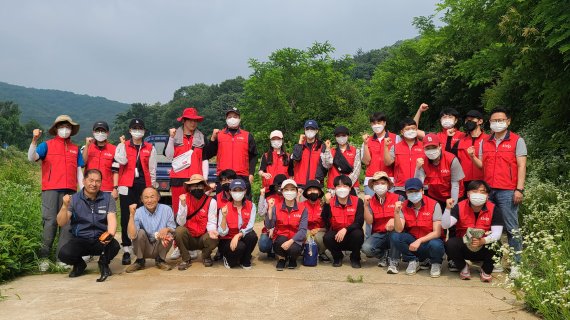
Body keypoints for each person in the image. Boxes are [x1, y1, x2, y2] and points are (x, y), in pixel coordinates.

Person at [472, 107, 527, 279]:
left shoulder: (517, 141)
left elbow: (521, 166)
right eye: (494, 120)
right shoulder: (484, 142)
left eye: (500, 120)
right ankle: (495, 261)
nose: (497, 123)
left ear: (508, 121)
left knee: (511, 228)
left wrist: (519, 189)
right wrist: (472, 157)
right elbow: (482, 166)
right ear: (489, 123)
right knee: (490, 227)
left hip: (508, 190)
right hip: (489, 191)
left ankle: (517, 265)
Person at [28, 115, 84, 271]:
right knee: (50, 222)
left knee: (66, 224)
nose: (65, 129)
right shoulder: (46, 145)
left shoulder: (75, 148)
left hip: (70, 190)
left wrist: (82, 191)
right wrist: (34, 140)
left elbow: (79, 171)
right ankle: (44, 258)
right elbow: (31, 158)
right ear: (56, 129)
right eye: (61, 126)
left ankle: (62, 258)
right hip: (51, 189)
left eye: (67, 127)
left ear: (71, 130)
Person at [56, 169, 120, 282]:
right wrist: (64, 206)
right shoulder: (74, 199)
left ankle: (103, 263)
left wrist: (109, 235)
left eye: (98, 181)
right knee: (64, 254)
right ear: (84, 181)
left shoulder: (108, 198)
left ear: (101, 183)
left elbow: (112, 218)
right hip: (81, 239)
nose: (94, 184)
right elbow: (61, 222)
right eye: (91, 180)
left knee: (114, 246)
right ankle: (80, 265)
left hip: (100, 239)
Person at [114, 118, 157, 265]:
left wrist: (151, 189)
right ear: (130, 130)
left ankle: (141, 246)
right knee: (126, 216)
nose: (137, 130)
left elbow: (152, 170)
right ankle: (126, 248)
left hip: (143, 185)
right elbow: (120, 161)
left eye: (140, 128)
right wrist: (121, 144)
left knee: (143, 216)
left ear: (144, 131)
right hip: (126, 185)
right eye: (134, 128)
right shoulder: (123, 146)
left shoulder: (150, 147)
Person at [442, 180, 504, 282]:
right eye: (474, 191)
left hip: (483, 246)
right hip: (465, 246)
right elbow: (445, 225)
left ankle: (486, 270)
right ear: (468, 194)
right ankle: (463, 267)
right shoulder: (459, 206)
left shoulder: (494, 209)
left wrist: (483, 241)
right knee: (450, 244)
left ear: (487, 195)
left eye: (482, 192)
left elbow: (497, 234)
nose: (478, 194)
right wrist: (447, 209)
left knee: (497, 244)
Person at [390, 178, 445, 277]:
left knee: (436, 244)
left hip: (429, 241)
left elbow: (437, 232)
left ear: (422, 191)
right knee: (395, 236)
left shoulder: (434, 204)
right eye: (410, 191)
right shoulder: (404, 205)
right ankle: (413, 260)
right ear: (406, 193)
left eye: (416, 191)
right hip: (413, 243)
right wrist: (396, 213)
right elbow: (399, 229)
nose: (413, 194)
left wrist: (419, 241)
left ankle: (436, 263)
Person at [165, 107, 209, 215]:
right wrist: (171, 138)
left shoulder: (202, 137)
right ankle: (179, 231)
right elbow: (169, 156)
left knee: (196, 209)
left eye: (195, 120)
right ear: (184, 120)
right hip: (178, 179)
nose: (193, 123)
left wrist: (205, 179)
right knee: (178, 209)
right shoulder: (173, 136)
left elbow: (204, 159)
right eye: (190, 120)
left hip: (196, 180)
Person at [205, 107, 258, 198]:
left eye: (235, 116)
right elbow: (208, 154)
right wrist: (213, 139)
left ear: (239, 119)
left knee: (244, 206)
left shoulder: (247, 135)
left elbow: (254, 156)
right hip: (223, 178)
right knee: (223, 207)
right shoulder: (219, 135)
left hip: (242, 176)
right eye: (229, 117)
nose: (232, 118)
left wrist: (251, 174)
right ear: (226, 119)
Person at [125, 188, 176, 273]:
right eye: (146, 197)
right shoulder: (138, 212)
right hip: (145, 247)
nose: (149, 200)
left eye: (152, 197)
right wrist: (131, 215)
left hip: (160, 245)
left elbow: (173, 229)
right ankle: (140, 261)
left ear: (158, 197)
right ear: (141, 199)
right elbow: (132, 236)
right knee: (140, 233)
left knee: (169, 233)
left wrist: (167, 229)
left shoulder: (167, 209)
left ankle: (160, 260)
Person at [174, 174, 219, 269]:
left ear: (204, 187)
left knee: (214, 236)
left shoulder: (211, 201)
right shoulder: (184, 198)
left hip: (203, 236)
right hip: (189, 237)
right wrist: (182, 205)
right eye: (194, 185)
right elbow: (181, 222)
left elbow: (212, 222)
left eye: (199, 185)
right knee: (179, 231)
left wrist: (212, 232)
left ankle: (206, 256)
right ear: (190, 187)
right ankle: (186, 259)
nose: (197, 188)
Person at [361, 171, 403, 272]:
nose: (380, 186)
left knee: (395, 235)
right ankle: (384, 255)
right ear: (373, 186)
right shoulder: (370, 201)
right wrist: (365, 206)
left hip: (394, 232)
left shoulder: (398, 198)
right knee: (366, 248)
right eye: (376, 183)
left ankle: (394, 261)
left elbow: (403, 217)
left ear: (388, 185)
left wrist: (394, 219)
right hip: (379, 233)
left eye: (383, 183)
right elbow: (369, 221)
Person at [322, 175, 365, 268]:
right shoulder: (331, 201)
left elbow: (359, 222)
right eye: (338, 186)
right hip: (337, 235)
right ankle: (337, 257)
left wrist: (346, 229)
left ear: (350, 188)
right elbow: (325, 220)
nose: (342, 189)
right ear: (335, 188)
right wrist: (326, 204)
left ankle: (355, 257)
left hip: (352, 233)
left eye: (345, 186)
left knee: (358, 234)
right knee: (327, 237)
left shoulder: (358, 201)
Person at [265, 179, 308, 270]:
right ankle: (282, 259)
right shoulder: (276, 207)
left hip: (295, 238)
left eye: (292, 189)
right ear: (282, 191)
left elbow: (303, 230)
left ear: (297, 192)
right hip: (281, 237)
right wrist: (270, 210)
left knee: (294, 249)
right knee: (280, 241)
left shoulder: (303, 208)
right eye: (286, 189)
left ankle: (293, 259)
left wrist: (291, 241)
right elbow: (269, 226)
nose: (289, 192)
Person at [415, 133, 465, 207]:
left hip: (454, 195)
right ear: (423, 149)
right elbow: (418, 184)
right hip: (435, 196)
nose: (431, 150)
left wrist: (453, 206)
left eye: (434, 147)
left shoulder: (451, 159)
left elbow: (455, 185)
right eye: (428, 148)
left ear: (440, 146)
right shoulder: (422, 161)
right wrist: (417, 168)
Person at [217, 179, 258, 269]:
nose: (238, 192)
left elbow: (250, 226)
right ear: (230, 192)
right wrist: (224, 216)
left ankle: (245, 260)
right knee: (239, 249)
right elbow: (222, 233)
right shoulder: (224, 207)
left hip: (241, 236)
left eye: (240, 190)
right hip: (227, 239)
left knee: (252, 236)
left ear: (245, 191)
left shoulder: (251, 206)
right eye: (235, 190)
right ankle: (227, 257)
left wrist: (238, 235)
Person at [450, 110, 488, 197]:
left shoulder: (488, 140)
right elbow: (450, 160)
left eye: (471, 119)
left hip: (482, 182)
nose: (468, 122)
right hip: (463, 183)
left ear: (480, 121)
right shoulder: (460, 142)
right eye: (467, 120)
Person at [384, 118, 425, 198]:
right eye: (407, 129)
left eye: (413, 128)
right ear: (402, 132)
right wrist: (385, 147)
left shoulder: (424, 146)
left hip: (420, 187)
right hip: (401, 187)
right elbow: (387, 162)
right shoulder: (396, 147)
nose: (411, 131)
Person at [361, 112, 398, 196]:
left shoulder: (395, 138)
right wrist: (366, 144)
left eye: (379, 122)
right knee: (371, 207)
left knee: (389, 207)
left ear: (384, 123)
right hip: (371, 180)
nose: (376, 125)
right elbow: (366, 162)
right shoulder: (367, 140)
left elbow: (390, 162)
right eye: (374, 123)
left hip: (389, 179)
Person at [82, 121, 118, 200]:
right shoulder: (87, 147)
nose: (100, 133)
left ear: (107, 133)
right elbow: (82, 163)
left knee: (107, 212)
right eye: (98, 131)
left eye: (103, 131)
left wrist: (115, 188)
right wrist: (87, 146)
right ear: (93, 132)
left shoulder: (114, 149)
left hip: (107, 189)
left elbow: (116, 171)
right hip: (89, 187)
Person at [321, 126, 361, 194]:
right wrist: (327, 149)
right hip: (333, 187)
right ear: (335, 137)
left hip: (351, 187)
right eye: (338, 136)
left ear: (348, 136)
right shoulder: (331, 151)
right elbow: (327, 165)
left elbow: (357, 170)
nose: (341, 137)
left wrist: (346, 184)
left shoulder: (355, 150)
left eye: (343, 135)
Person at [257, 174, 288, 259]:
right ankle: (271, 248)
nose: (279, 188)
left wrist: (274, 230)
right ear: (274, 187)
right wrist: (262, 196)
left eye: (282, 186)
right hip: (268, 229)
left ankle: (278, 249)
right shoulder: (270, 198)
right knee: (263, 245)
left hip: (283, 230)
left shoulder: (289, 199)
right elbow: (261, 213)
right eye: (278, 185)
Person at [291, 120, 326, 189]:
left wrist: (318, 179)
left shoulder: (321, 146)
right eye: (307, 129)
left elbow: (323, 165)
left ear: (317, 131)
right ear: (304, 130)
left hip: (315, 184)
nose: (309, 131)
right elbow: (296, 158)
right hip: (300, 184)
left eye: (312, 129)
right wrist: (300, 143)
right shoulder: (299, 146)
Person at [301, 179, 330, 262]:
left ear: (319, 192)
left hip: (320, 231)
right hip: (305, 231)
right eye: (309, 190)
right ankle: (306, 251)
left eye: (314, 189)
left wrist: (318, 230)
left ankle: (321, 252)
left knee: (322, 238)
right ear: (306, 193)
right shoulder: (301, 205)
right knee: (304, 235)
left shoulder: (325, 205)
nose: (312, 192)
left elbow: (329, 225)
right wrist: (308, 231)